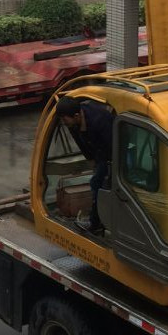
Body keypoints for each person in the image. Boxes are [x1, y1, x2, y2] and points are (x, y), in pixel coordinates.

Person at [55, 96, 114, 233]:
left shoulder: (99, 120)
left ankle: (95, 223)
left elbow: (112, 145)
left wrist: (107, 168)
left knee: (98, 184)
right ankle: (99, 220)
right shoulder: (73, 124)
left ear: (76, 116)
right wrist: (92, 160)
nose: (63, 122)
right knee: (98, 182)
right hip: (100, 152)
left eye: (65, 119)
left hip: (114, 150)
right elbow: (81, 143)